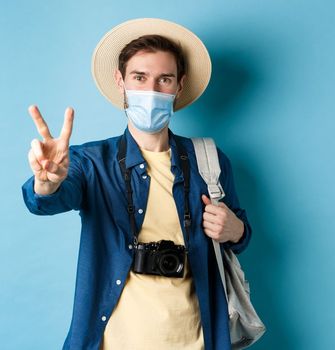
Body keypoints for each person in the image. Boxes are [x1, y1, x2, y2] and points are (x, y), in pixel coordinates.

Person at [21, 18, 252, 350]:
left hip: (198, 340)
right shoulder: (90, 162)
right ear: (121, 81)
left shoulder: (210, 160)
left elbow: (242, 232)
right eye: (140, 78)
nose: (151, 91)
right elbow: (44, 200)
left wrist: (236, 230)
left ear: (179, 85)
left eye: (164, 80)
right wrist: (47, 181)